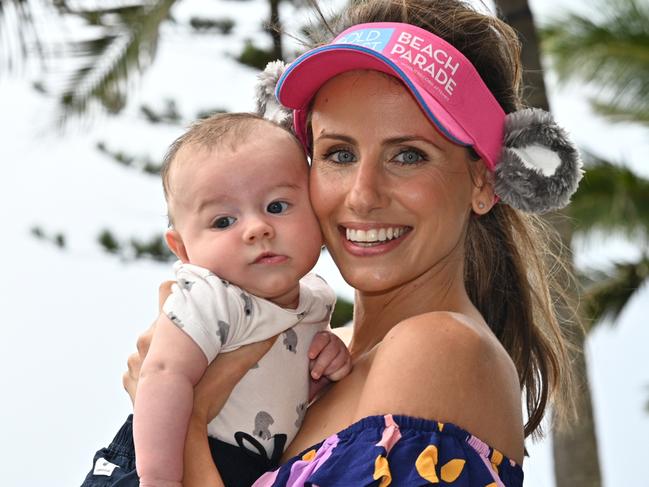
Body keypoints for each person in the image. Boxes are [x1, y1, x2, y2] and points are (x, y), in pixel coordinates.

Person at [122, 0, 584, 485]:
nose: (362, 196)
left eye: (408, 155)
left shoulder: (438, 348)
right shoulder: (312, 355)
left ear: (484, 183)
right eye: (339, 154)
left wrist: (191, 423)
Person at [81, 113, 352, 487]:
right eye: (224, 221)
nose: (257, 229)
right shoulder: (210, 296)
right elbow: (160, 375)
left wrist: (321, 365)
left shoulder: (316, 299)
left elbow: (278, 389)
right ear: (183, 249)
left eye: (277, 206)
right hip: (154, 461)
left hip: (243, 463)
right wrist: (159, 478)